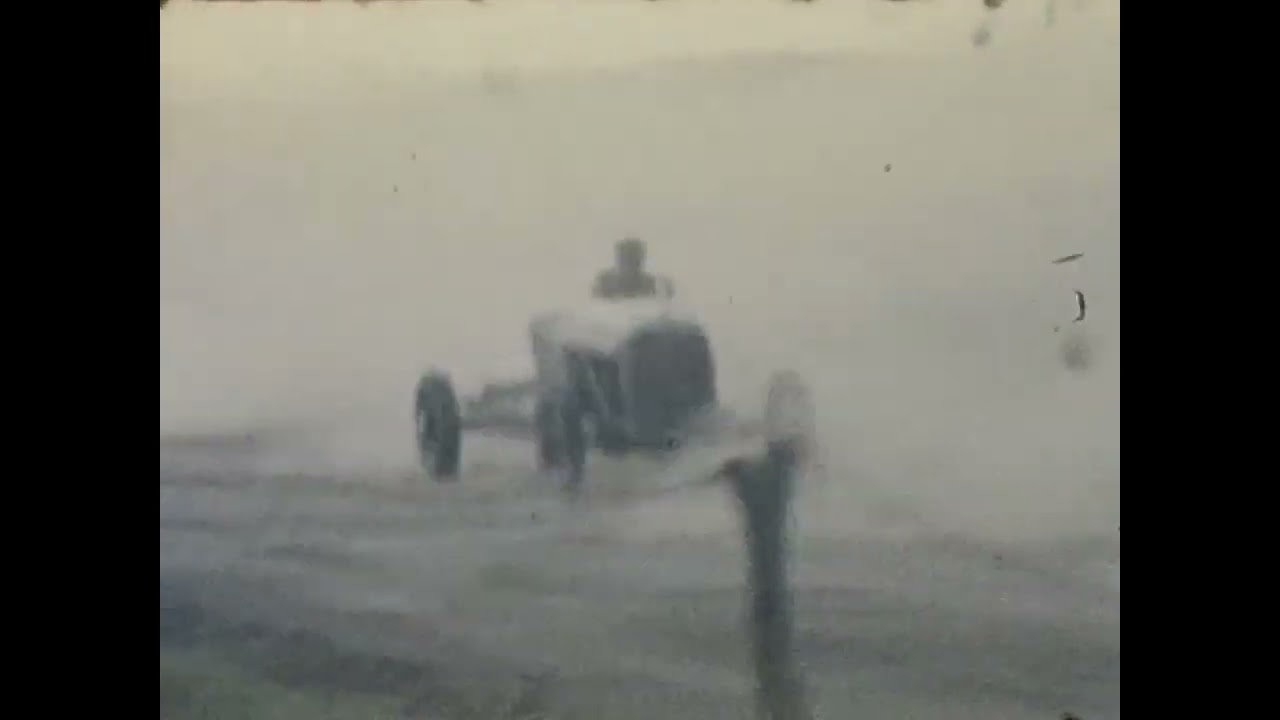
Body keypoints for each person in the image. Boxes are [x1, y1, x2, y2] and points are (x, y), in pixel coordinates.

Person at [592, 237, 672, 300]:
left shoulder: (654, 284)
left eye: (634, 260)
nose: (629, 265)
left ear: (641, 260)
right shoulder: (605, 282)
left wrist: (666, 291)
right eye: (626, 259)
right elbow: (597, 309)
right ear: (618, 259)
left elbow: (666, 306)